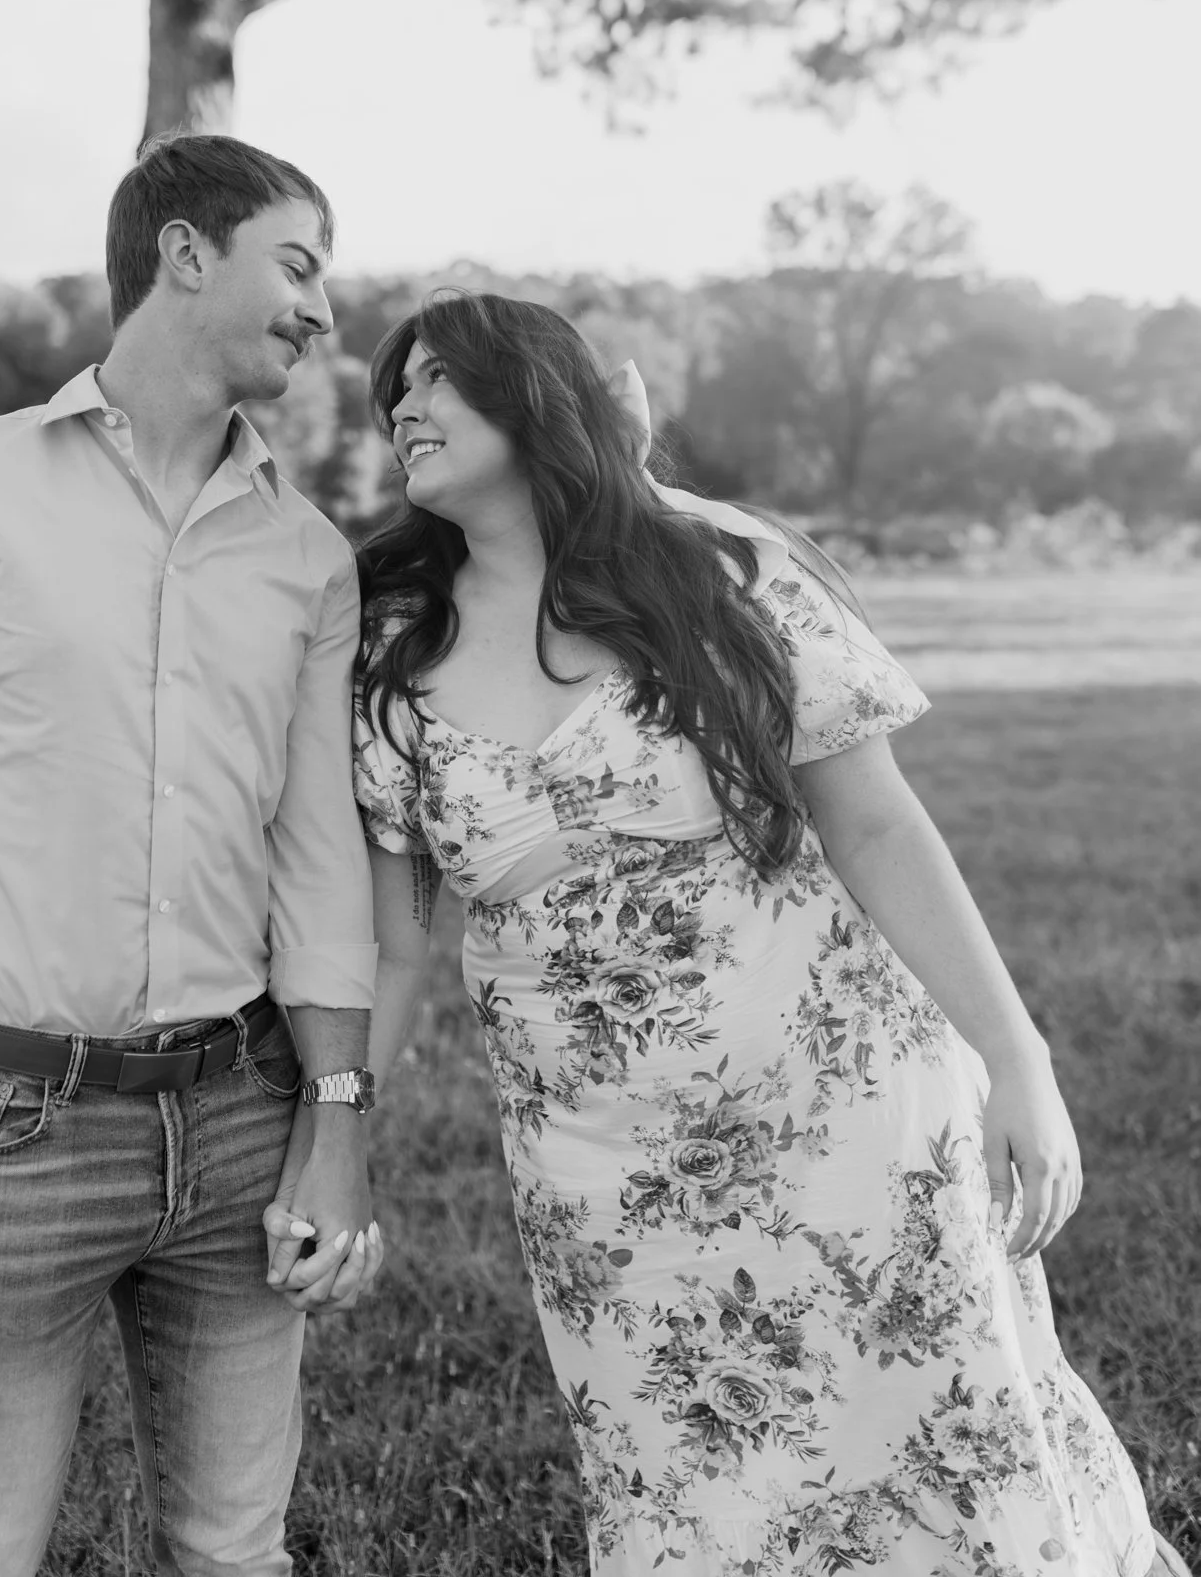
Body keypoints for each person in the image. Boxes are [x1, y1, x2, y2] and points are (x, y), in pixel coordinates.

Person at [352, 290, 1184, 1577]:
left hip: (846, 1101)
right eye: (395, 387)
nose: (404, 405)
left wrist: (1018, 1056)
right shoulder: (390, 642)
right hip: (604, 1170)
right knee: (692, 1488)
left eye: (436, 377)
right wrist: (336, 1147)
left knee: (942, 1437)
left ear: (535, 392)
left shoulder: (712, 566)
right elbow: (395, 945)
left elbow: (878, 824)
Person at [0, 134, 383, 1577]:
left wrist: (337, 1123)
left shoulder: (310, 557)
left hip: (243, 1116)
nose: (323, 310)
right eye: (298, 264)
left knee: (234, 1552)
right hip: (0, 1130)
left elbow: (319, 862)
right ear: (185, 252)